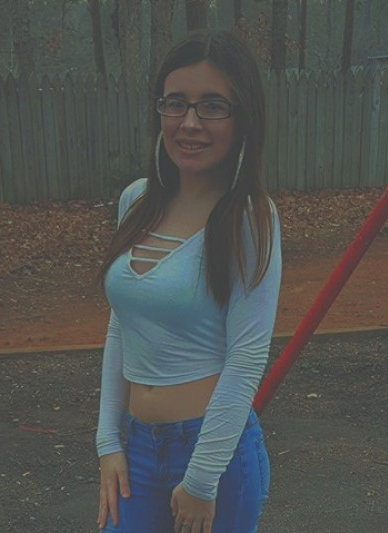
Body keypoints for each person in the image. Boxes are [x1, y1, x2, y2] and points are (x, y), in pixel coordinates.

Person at [95, 30, 282, 533]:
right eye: (175, 103)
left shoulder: (249, 217)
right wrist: (108, 443)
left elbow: (247, 357)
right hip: (137, 448)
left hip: (213, 456)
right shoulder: (136, 201)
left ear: (242, 118)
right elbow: (120, 327)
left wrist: (201, 480)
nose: (190, 123)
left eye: (212, 106)